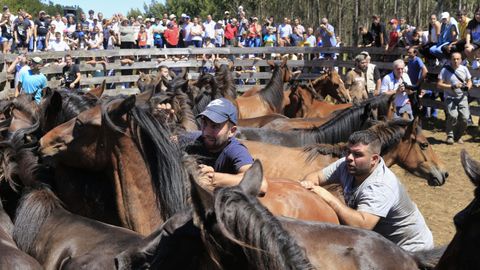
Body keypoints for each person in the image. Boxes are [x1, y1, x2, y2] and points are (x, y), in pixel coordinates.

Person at [300, 130, 434, 252]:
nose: (350, 158)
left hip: (410, 249)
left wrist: (327, 197)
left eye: (358, 154)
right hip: (380, 242)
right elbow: (316, 176)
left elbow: (362, 225)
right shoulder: (347, 164)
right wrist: (309, 184)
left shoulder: (381, 185)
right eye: (348, 151)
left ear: (374, 159)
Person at [181, 98, 267, 194]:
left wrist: (212, 178)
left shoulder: (235, 150)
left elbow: (260, 184)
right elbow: (169, 140)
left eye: (215, 126)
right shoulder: (193, 139)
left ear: (232, 131)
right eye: (204, 123)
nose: (206, 132)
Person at [436, 52, 472, 144]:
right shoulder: (445, 70)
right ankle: (450, 135)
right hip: (450, 97)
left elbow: (469, 81)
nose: (456, 61)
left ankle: (458, 136)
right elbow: (439, 85)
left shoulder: (464, 69)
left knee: (465, 118)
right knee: (453, 116)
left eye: (458, 59)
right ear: (450, 60)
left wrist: (468, 87)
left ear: (461, 60)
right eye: (454, 59)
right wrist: (452, 86)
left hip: (462, 97)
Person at [406, 48, 428, 117]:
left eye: (410, 53)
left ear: (415, 53)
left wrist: (419, 82)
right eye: (408, 52)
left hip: (415, 85)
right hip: (410, 84)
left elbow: (425, 71)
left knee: (416, 102)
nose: (408, 54)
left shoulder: (417, 60)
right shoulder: (410, 60)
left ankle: (418, 117)